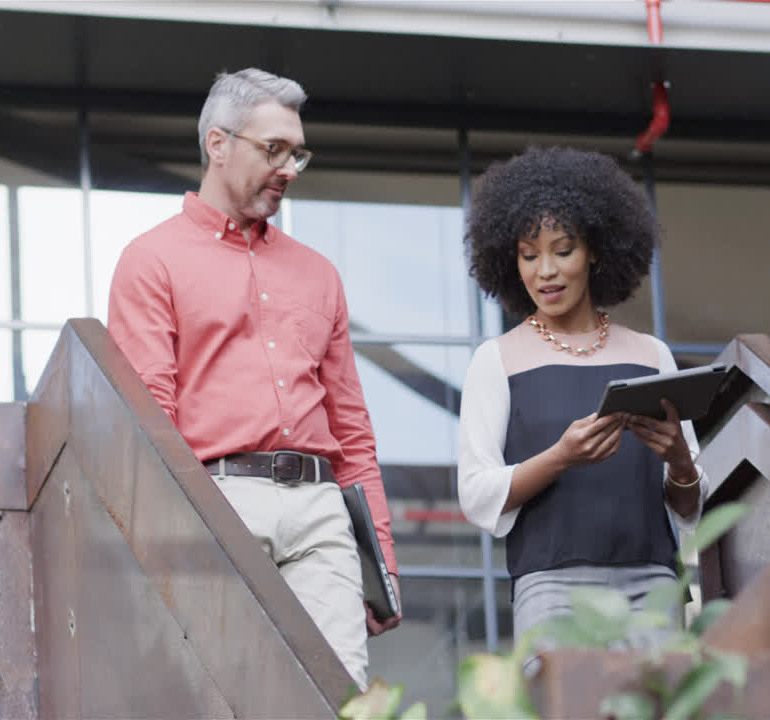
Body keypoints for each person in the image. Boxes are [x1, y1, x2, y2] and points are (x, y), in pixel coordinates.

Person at [107, 68, 400, 690]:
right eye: (274, 149)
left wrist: (383, 562)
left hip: (322, 512)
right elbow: (151, 423)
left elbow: (352, 430)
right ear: (218, 144)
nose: (289, 167)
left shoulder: (319, 273)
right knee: (223, 691)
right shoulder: (151, 259)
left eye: (297, 153)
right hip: (217, 501)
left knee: (337, 696)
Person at [457, 146, 706, 648]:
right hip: (551, 589)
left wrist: (680, 460)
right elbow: (477, 493)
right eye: (529, 255)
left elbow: (690, 505)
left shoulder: (652, 355)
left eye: (562, 250)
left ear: (595, 250)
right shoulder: (497, 359)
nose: (545, 270)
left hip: (653, 586)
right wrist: (559, 458)